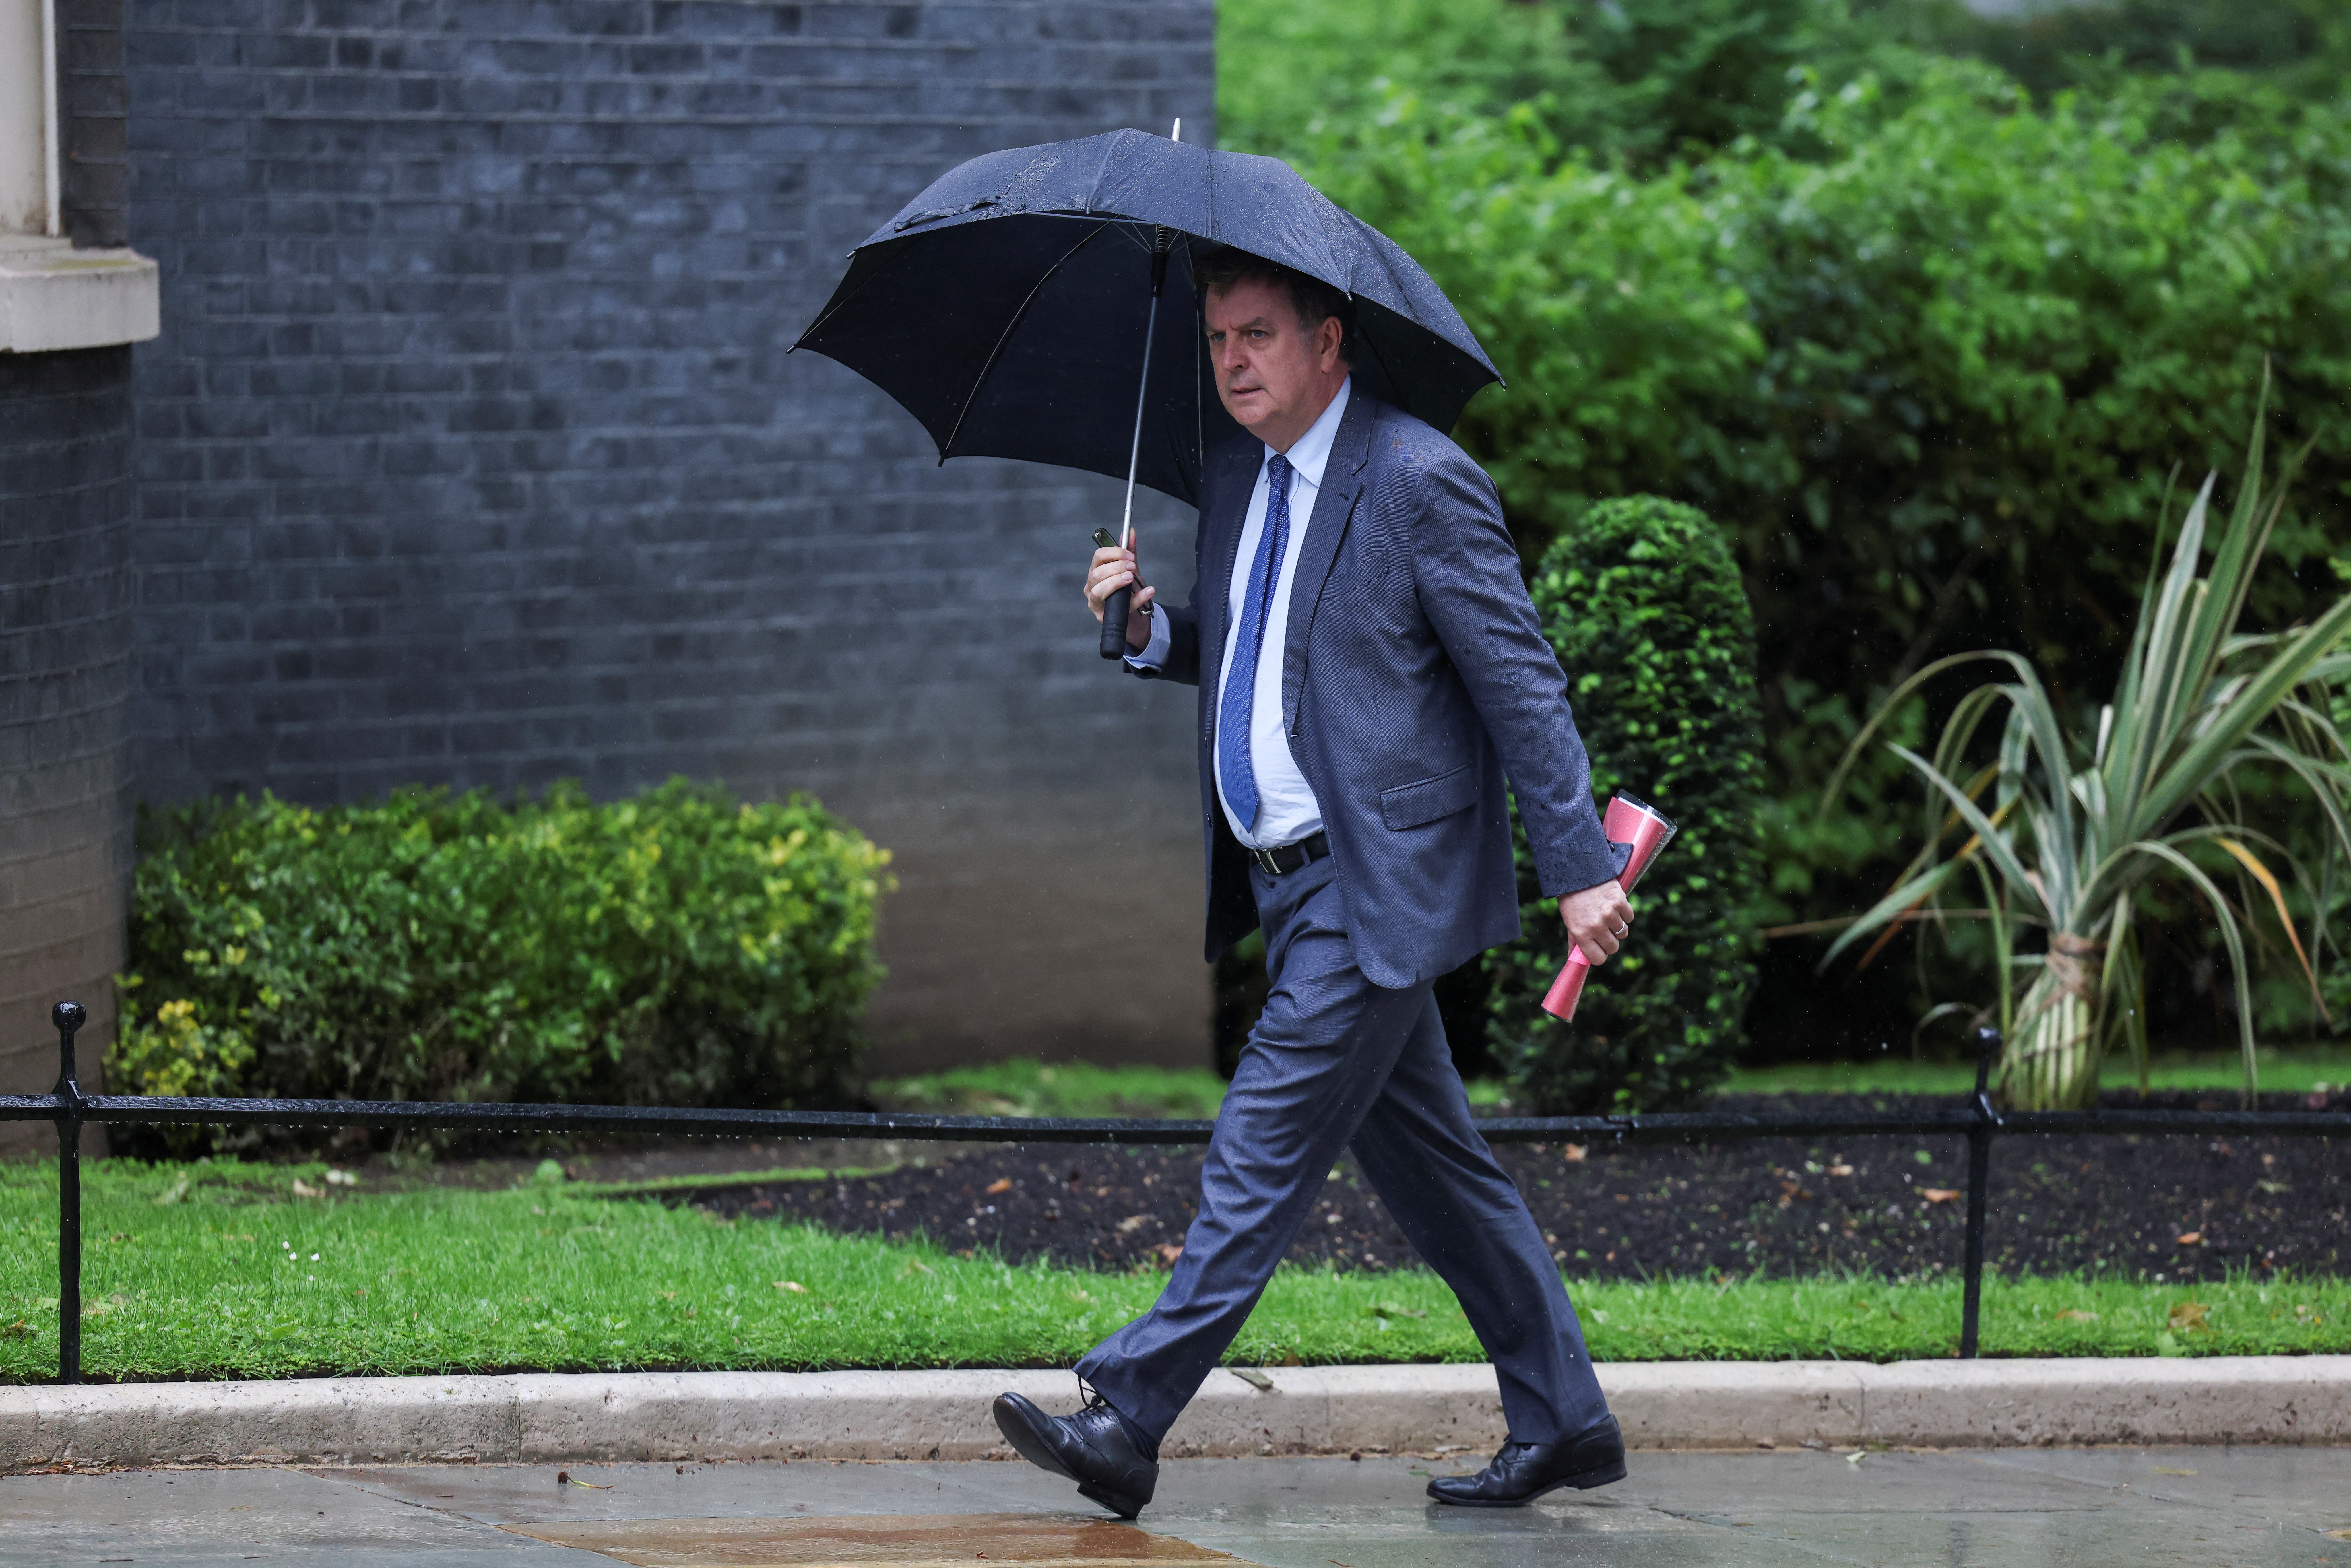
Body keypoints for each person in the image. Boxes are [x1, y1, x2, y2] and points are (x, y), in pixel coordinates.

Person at [990, 247, 1636, 1519]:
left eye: (1257, 336)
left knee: (1260, 1143)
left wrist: (1580, 870)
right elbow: (1261, 651)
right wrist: (1148, 629)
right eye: (1217, 339)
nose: (1231, 362)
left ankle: (1128, 1415)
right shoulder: (1242, 474)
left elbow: (1520, 683)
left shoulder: (1418, 479)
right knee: (1440, 1175)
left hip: (1375, 883)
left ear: (1328, 341)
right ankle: (1565, 1417)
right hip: (1284, 886)